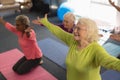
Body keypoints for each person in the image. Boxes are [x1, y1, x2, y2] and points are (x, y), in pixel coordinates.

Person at [34, 14, 120, 80]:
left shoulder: (96, 50)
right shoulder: (73, 40)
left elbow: (111, 62)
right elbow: (59, 32)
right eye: (75, 27)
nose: (74, 31)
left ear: (89, 32)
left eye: (79, 29)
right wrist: (46, 22)